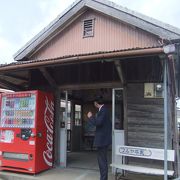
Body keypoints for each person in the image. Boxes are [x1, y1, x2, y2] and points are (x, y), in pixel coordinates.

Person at [87, 96, 112, 180]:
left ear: (96, 103)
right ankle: (103, 178)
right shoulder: (104, 109)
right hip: (104, 140)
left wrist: (90, 117)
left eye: (94, 103)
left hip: (102, 140)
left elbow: (98, 123)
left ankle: (103, 178)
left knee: (102, 161)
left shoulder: (103, 110)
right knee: (102, 160)